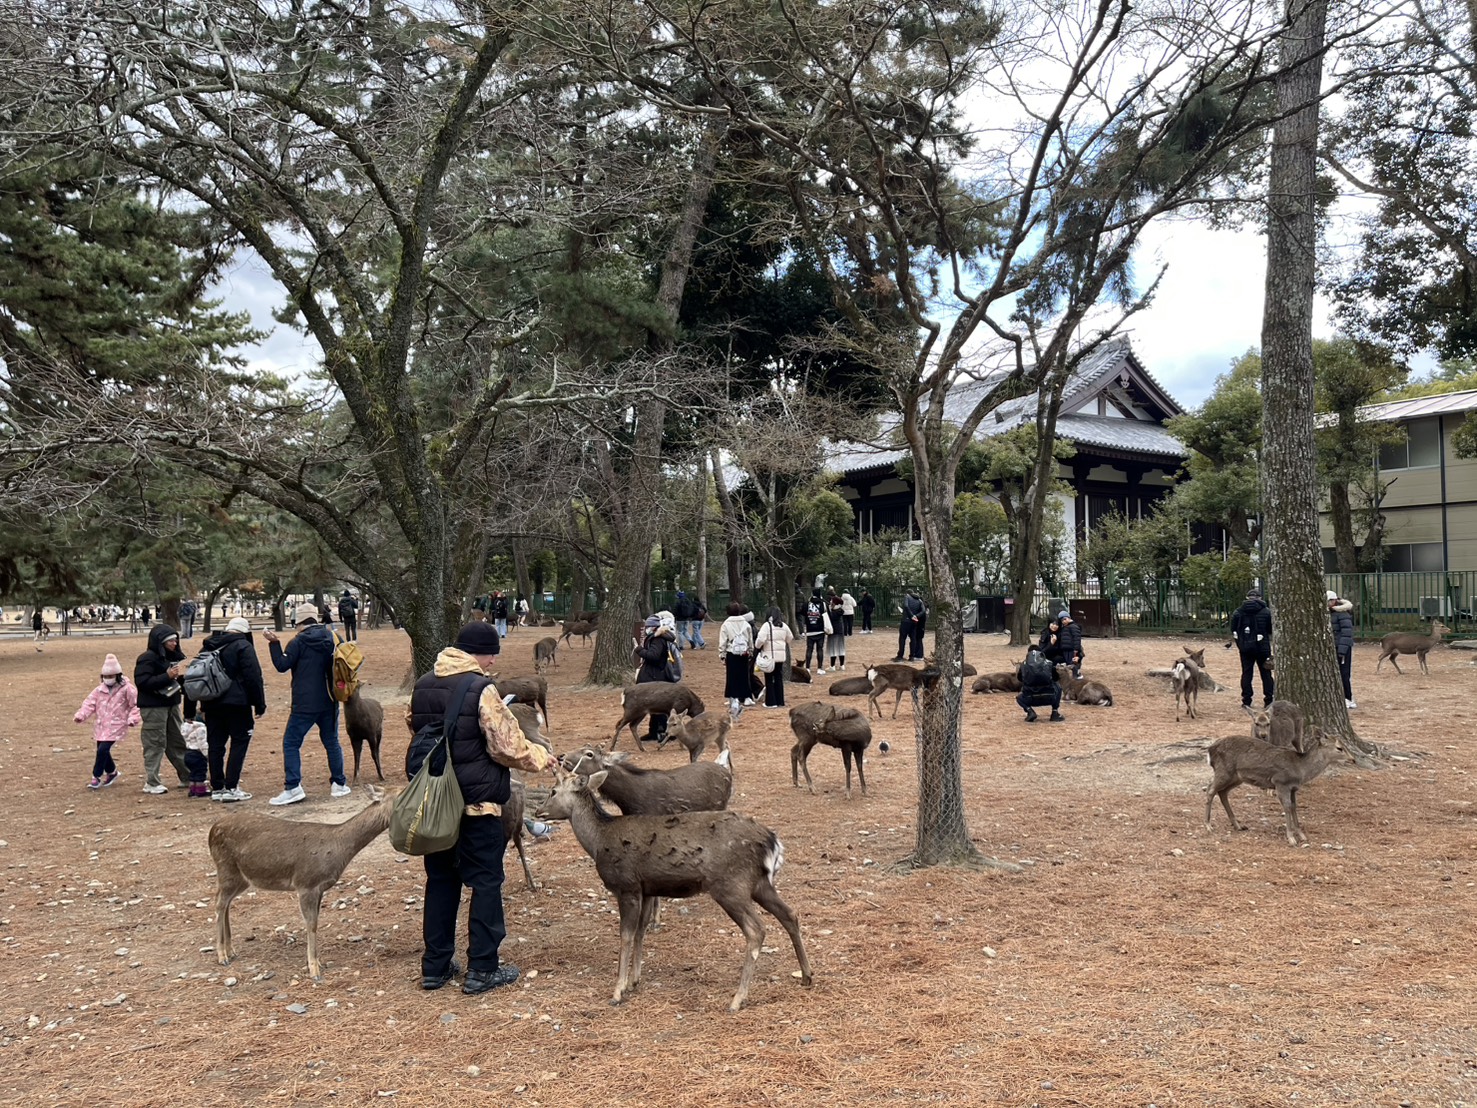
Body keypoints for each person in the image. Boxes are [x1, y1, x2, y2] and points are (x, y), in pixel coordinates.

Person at [407, 620, 556, 995]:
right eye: (493, 655)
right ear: (483, 653)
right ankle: (483, 969)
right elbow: (506, 745)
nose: (493, 663)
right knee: (486, 883)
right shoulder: (480, 688)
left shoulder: (424, 684)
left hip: (436, 805)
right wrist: (540, 757)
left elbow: (419, 728)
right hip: (478, 804)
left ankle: (435, 967)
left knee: (440, 882)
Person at [263, 602, 348, 806]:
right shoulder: (333, 637)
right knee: (331, 741)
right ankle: (339, 784)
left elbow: (282, 666)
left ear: (299, 622)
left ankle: (293, 787)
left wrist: (274, 643)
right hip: (330, 698)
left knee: (291, 742)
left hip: (305, 701)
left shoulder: (298, 642)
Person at [199, 615, 267, 801]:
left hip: (211, 702)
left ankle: (217, 787)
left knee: (215, 745)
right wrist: (259, 704)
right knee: (239, 742)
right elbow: (254, 677)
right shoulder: (243, 646)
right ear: (245, 632)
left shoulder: (209, 645)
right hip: (238, 703)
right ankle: (231, 786)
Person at [134, 624, 193, 794]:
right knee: (155, 743)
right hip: (154, 707)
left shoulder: (172, 658)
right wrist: (166, 676)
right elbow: (142, 682)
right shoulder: (147, 658)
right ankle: (152, 782)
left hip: (172, 704)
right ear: (160, 642)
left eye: (175, 640)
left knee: (178, 741)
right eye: (170, 641)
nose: (174, 643)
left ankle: (187, 776)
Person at [75, 653, 140, 789]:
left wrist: (133, 718)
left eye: (111, 676)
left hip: (117, 724)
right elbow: (89, 704)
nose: (108, 679)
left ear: (118, 675)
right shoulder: (99, 690)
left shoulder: (128, 689)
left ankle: (96, 776)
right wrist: (81, 715)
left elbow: (136, 704)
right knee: (101, 750)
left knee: (103, 749)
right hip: (101, 725)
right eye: (105, 676)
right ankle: (112, 772)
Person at [634, 615, 680, 744]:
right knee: (654, 706)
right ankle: (654, 731)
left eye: (648, 627)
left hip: (655, 677)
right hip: (655, 676)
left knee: (659, 706)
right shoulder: (658, 637)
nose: (646, 629)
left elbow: (653, 656)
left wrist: (639, 650)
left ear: (653, 628)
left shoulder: (657, 640)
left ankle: (662, 732)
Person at [1230, 587, 1275, 710]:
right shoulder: (1266, 611)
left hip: (1245, 648)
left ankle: (1246, 701)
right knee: (1266, 673)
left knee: (1246, 673)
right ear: (1260, 598)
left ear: (1247, 598)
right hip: (1262, 647)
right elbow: (1270, 629)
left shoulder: (1238, 612)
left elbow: (1233, 629)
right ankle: (1269, 700)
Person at [718, 602, 756, 718]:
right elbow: (750, 639)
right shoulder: (745, 623)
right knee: (744, 675)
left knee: (732, 676)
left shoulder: (726, 624)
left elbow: (723, 641)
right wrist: (750, 651)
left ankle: (733, 698)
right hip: (744, 653)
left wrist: (722, 654)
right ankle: (746, 697)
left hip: (731, 653)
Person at [754, 607, 794, 708]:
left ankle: (771, 702)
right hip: (780, 657)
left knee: (769, 679)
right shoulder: (784, 626)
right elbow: (790, 638)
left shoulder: (767, 626)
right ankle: (780, 700)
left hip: (769, 656)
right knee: (778, 678)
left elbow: (760, 639)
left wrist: (757, 646)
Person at [1016, 644, 1064, 723]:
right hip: (1049, 697)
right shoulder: (1048, 663)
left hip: (1030, 698)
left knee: (1019, 698)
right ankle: (1054, 712)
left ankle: (1030, 711)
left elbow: (1020, 679)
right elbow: (1056, 678)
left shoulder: (1023, 665)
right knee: (1058, 687)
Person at [1328, 590, 1356, 709]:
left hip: (1341, 647)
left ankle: (1348, 698)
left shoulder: (1342, 614)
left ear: (1334, 601)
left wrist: (1342, 650)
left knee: (1344, 673)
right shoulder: (1329, 614)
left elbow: (1346, 633)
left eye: (1330, 601)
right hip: (1333, 647)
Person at [801, 589, 830, 674]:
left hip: (810, 630)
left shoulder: (807, 604)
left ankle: (807, 667)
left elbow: (802, 612)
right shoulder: (823, 604)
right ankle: (820, 668)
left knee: (809, 649)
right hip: (820, 630)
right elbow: (827, 613)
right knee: (820, 649)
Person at [182, 719, 211, 797]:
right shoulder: (201, 729)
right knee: (200, 773)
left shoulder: (187, 728)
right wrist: (207, 755)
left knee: (193, 773)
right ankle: (200, 790)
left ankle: (192, 790)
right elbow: (202, 744)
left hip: (188, 753)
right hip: (197, 754)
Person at [896, 589, 926, 661]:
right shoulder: (919, 600)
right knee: (913, 638)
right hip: (914, 622)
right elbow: (923, 610)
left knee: (902, 638)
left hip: (906, 620)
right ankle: (912, 656)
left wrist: (911, 615)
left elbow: (906, 606)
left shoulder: (907, 597)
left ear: (907, 593)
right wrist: (916, 616)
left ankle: (900, 656)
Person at [1054, 610, 1084, 676]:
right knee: (1068, 663)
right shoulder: (1065, 627)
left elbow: (1076, 639)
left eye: (1065, 619)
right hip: (1065, 649)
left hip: (1071, 649)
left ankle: (1076, 675)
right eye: (1062, 620)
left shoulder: (1073, 627)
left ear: (1069, 618)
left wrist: (1076, 649)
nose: (1063, 621)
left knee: (1073, 663)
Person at [826, 589, 848, 671]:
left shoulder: (834, 612)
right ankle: (842, 665)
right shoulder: (840, 611)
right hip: (840, 631)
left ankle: (832, 666)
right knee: (840, 648)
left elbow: (830, 618)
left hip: (834, 631)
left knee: (833, 649)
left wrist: (829, 610)